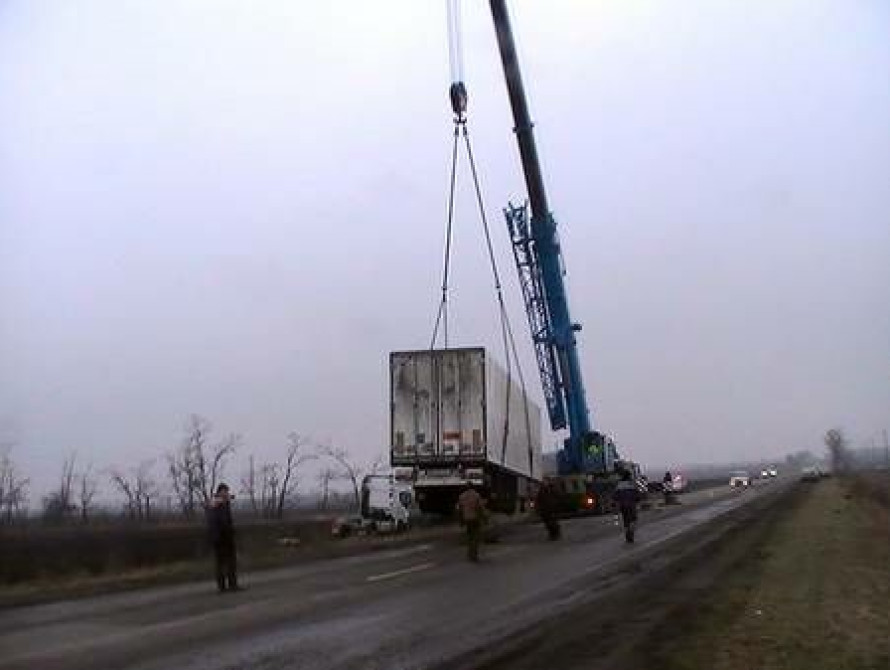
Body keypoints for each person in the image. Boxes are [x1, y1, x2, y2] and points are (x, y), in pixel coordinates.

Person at [206, 483, 240, 592]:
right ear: (220, 492)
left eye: (227, 492)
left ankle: (229, 585)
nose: (226, 494)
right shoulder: (217, 504)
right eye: (225, 491)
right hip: (221, 537)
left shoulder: (222, 503)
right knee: (223, 563)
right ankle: (225, 586)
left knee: (228, 562)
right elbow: (220, 522)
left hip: (223, 537)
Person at [457, 483, 485, 562]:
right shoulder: (476, 495)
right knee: (475, 536)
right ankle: (474, 554)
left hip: (467, 518)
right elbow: (480, 508)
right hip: (475, 518)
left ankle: (470, 553)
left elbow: (460, 509)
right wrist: (483, 518)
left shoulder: (462, 496)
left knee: (469, 536)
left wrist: (461, 521)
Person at [612, 470, 642, 543]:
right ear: (629, 476)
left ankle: (627, 535)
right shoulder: (632, 484)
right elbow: (638, 496)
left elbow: (615, 497)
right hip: (631, 505)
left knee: (626, 521)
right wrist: (637, 501)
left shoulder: (619, 485)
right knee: (633, 520)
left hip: (623, 506)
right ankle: (631, 534)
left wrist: (616, 504)